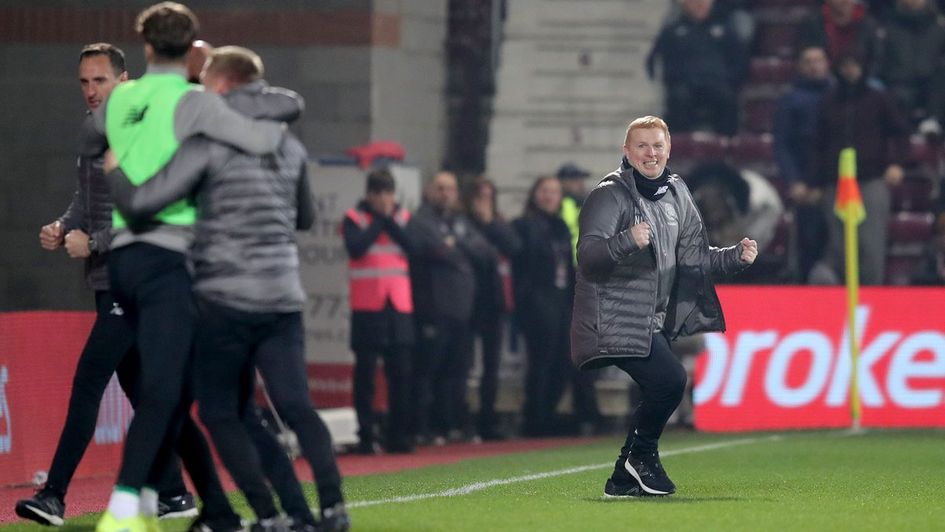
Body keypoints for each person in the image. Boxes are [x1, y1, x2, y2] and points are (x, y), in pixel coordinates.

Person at [109, 45, 350, 531]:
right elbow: (305, 217)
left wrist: (115, 170)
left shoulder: (209, 143)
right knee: (296, 406)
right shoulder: (288, 144)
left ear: (220, 85)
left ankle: (267, 514)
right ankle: (331, 508)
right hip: (282, 297)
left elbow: (146, 202)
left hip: (225, 300)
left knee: (222, 412)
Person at [91, 3, 286, 531]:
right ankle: (131, 505)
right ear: (192, 50)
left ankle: (206, 508)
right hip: (177, 263)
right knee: (168, 390)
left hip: (142, 263)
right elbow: (264, 136)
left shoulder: (135, 99)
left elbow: (99, 139)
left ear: (147, 46)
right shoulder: (193, 105)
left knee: (175, 391)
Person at [16, 42, 196, 528]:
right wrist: (63, 226)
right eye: (84, 81)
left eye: (100, 80)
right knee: (137, 386)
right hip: (109, 278)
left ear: (123, 80)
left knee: (89, 379)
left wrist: (93, 242)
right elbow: (87, 195)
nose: (91, 90)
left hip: (134, 278)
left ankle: (54, 494)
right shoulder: (94, 127)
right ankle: (175, 492)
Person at [571, 115, 757, 497]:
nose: (650, 153)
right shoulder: (609, 194)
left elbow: (695, 258)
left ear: (669, 150)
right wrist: (626, 240)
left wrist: (734, 258)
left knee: (661, 385)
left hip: (649, 320)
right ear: (627, 152)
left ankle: (622, 479)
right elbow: (587, 257)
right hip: (612, 317)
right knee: (670, 381)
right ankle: (640, 458)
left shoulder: (677, 193)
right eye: (642, 146)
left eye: (657, 145)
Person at [406, 171, 495, 444]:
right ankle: (422, 427)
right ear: (430, 191)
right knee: (427, 371)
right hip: (433, 309)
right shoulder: (420, 221)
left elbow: (486, 253)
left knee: (455, 372)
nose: (446, 194)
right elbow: (436, 250)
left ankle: (449, 425)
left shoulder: (460, 222)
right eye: (441, 188)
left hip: (462, 311)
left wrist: (456, 244)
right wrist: (458, 249)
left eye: (451, 189)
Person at [810, 53, 910, 285]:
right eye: (845, 65)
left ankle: (872, 295)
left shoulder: (878, 98)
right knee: (838, 243)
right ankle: (842, 296)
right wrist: (814, 182)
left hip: (871, 178)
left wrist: (897, 163)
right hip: (835, 181)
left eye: (854, 65)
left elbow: (901, 132)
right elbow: (817, 144)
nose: (850, 70)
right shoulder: (828, 101)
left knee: (871, 242)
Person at [341, 168, 415, 454]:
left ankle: (399, 434)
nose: (384, 198)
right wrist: (379, 221)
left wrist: (388, 220)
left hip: (398, 307)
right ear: (369, 195)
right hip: (368, 306)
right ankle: (366, 435)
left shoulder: (404, 218)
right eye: (378, 193)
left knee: (401, 374)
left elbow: (413, 246)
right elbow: (356, 248)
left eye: (388, 192)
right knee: (366, 375)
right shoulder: (354, 218)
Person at [512, 176, 576, 436]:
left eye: (554, 192)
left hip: (561, 299)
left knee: (563, 361)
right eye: (545, 191)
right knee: (541, 360)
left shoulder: (561, 227)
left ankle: (547, 413)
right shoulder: (524, 225)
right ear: (535, 194)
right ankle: (534, 418)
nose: (549, 196)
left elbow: (568, 266)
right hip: (538, 299)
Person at [463, 177, 520, 440]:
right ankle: (460, 417)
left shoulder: (498, 223)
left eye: (488, 197)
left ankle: (487, 418)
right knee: (462, 365)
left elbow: (514, 247)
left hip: (494, 302)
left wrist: (489, 223)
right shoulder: (462, 223)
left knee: (491, 365)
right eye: (479, 196)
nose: (483, 202)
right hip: (467, 300)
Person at [772, 46, 834, 282]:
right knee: (808, 240)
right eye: (808, 61)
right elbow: (782, 144)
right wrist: (794, 181)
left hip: (834, 179)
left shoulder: (839, 95)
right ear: (800, 66)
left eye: (819, 60)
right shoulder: (790, 100)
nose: (814, 66)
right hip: (804, 180)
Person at [646, 0, 748, 136]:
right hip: (685, 86)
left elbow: (739, 60)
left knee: (727, 100)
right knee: (678, 100)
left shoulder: (725, 29)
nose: (700, 4)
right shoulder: (673, 31)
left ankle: (726, 144)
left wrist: (730, 81)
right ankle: (679, 144)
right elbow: (655, 60)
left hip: (717, 85)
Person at [874, 0, 945, 130]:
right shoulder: (887, 27)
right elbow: (879, 60)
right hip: (897, 84)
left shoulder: (938, 27)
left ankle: (932, 125)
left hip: (932, 87)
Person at [797, 0, 883, 76]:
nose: (845, 1)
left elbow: (876, 58)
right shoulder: (812, 24)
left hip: (861, 80)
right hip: (822, 80)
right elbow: (804, 56)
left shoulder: (868, 25)